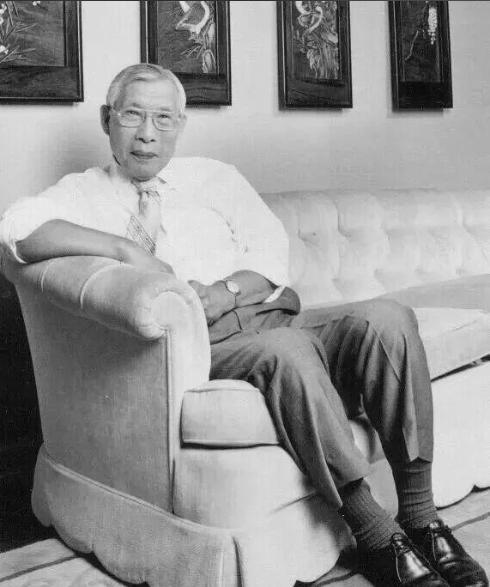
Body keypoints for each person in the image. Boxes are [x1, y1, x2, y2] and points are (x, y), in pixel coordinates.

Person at [0, 63, 487, 587]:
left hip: (268, 313)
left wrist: (226, 290)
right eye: (132, 115)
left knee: (388, 318)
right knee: (286, 352)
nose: (147, 133)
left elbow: (271, 253)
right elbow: (16, 231)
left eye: (163, 118)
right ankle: (375, 534)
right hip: (209, 345)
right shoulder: (83, 193)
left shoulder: (214, 178)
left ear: (180, 124)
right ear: (106, 119)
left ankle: (422, 518)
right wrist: (122, 248)